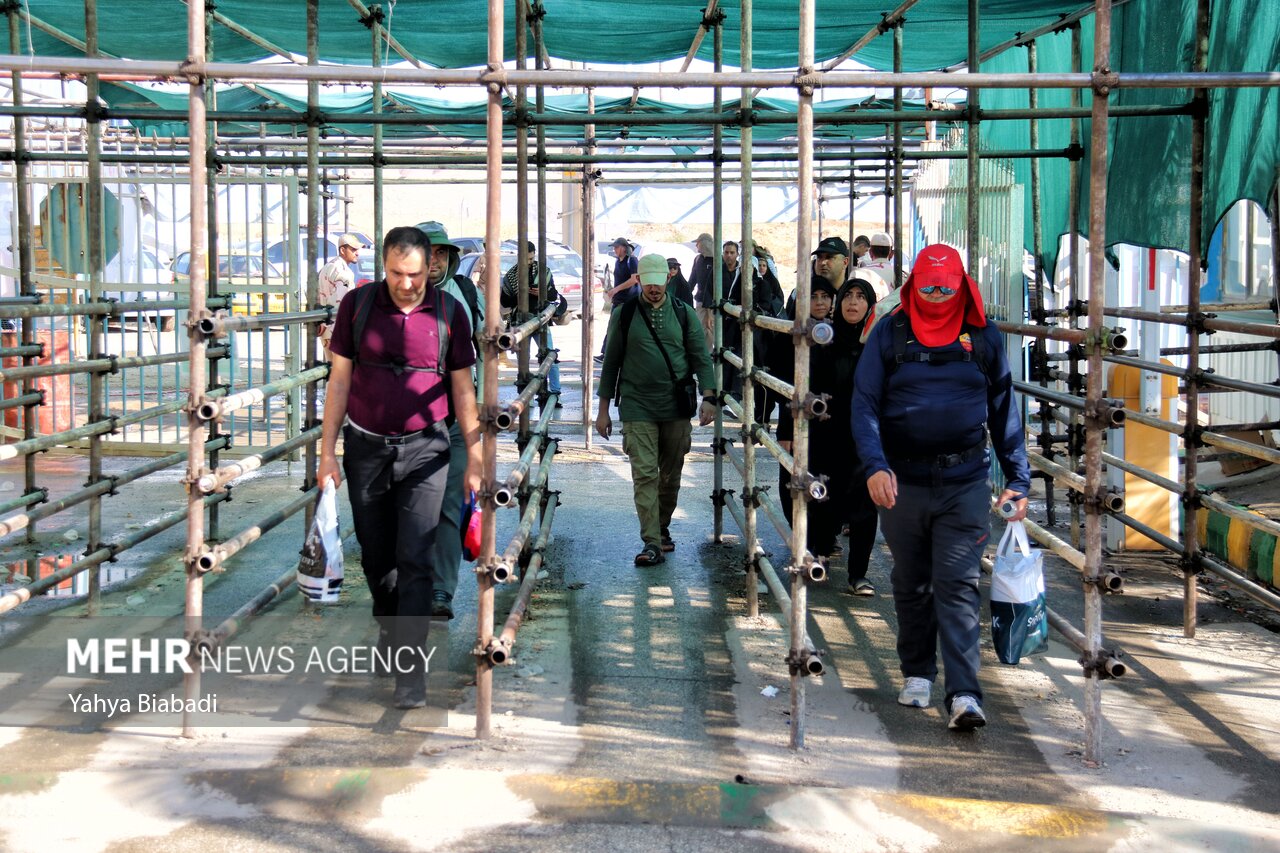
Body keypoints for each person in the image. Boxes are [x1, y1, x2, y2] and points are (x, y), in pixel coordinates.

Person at [851, 243, 1030, 732]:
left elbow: (1003, 409)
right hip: (901, 484)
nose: (934, 295)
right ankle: (916, 672)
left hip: (964, 483)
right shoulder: (890, 331)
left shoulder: (982, 337)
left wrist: (1017, 476)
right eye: (925, 286)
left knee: (958, 586)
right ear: (912, 286)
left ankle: (965, 693)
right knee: (911, 584)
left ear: (961, 285)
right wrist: (874, 465)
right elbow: (864, 403)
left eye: (944, 287)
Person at [319, 226, 482, 710]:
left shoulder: (449, 311)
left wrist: (474, 457)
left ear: (429, 265)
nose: (406, 283)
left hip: (427, 450)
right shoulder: (359, 306)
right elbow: (339, 382)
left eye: (414, 274)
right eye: (396, 273)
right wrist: (328, 453)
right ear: (383, 265)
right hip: (366, 448)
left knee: (416, 558)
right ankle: (391, 639)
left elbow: (464, 389)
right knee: (377, 560)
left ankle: (409, 673)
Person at [596, 254, 717, 567]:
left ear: (668, 278)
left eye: (658, 280)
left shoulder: (684, 314)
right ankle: (651, 541)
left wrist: (709, 396)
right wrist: (603, 409)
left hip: (676, 405)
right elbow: (611, 364)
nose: (653, 287)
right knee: (645, 473)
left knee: (670, 474)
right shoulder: (624, 314)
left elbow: (700, 357)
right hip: (637, 404)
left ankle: (661, 526)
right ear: (639, 280)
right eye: (646, 281)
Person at [418, 221, 486, 622]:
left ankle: (441, 589)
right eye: (428, 252)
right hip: (411, 422)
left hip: (458, 418)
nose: (435, 261)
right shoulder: (393, 298)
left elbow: (485, 344)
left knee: (448, 505)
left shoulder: (463, 292)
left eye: (442, 253)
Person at [771, 273, 841, 559]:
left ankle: (824, 541)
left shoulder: (840, 334)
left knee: (830, 480)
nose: (820, 302)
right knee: (793, 483)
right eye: (813, 296)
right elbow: (782, 387)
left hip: (832, 425)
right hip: (796, 422)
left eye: (825, 296)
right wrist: (785, 432)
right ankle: (804, 538)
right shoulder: (790, 335)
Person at [831, 274, 882, 596]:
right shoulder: (823, 338)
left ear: (870, 304)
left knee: (865, 506)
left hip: (866, 436)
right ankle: (819, 547)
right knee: (826, 500)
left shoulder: (880, 343)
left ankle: (858, 574)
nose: (853, 302)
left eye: (860, 297)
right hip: (828, 435)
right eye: (847, 296)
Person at [501, 241, 562, 402]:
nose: (529, 262)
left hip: (540, 319)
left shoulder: (543, 272)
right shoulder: (511, 275)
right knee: (523, 362)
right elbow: (505, 301)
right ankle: (524, 397)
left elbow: (553, 295)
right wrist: (520, 293)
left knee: (549, 356)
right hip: (519, 323)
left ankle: (555, 393)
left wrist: (541, 292)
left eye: (531, 258)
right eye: (525, 259)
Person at [316, 233, 362, 356]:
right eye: (353, 249)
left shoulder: (327, 267)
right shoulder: (342, 272)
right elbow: (343, 301)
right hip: (337, 328)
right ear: (342, 250)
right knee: (341, 370)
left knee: (331, 369)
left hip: (326, 325)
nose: (357, 253)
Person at [596, 237, 640, 363]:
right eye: (614, 247)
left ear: (624, 248)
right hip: (618, 300)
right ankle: (606, 353)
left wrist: (616, 289)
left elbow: (634, 279)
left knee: (625, 329)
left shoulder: (632, 261)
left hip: (629, 300)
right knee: (612, 327)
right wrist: (611, 290)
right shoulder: (617, 262)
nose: (614, 250)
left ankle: (618, 355)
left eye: (616, 247)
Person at [689, 233, 716, 342]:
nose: (696, 246)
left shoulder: (717, 261)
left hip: (714, 302)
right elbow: (692, 280)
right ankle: (706, 354)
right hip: (700, 301)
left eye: (698, 243)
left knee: (712, 329)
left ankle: (714, 355)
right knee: (701, 328)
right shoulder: (697, 259)